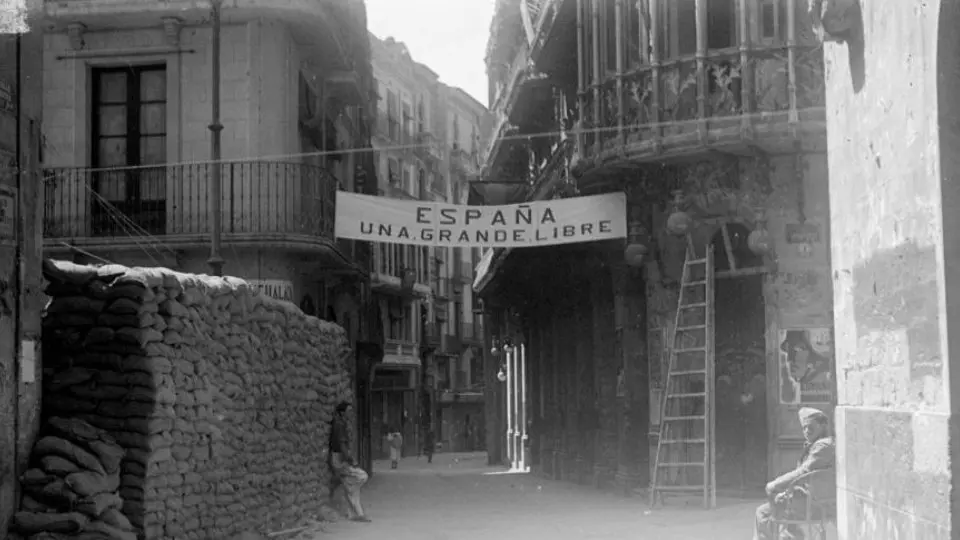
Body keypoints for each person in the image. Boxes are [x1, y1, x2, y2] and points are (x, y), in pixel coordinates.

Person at [754, 407, 835, 540]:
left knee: (763, 512)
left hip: (814, 506)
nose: (807, 431)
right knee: (781, 506)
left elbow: (804, 472)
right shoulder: (825, 443)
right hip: (818, 502)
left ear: (823, 426)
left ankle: (787, 535)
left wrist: (774, 484)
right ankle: (790, 534)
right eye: (804, 428)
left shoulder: (822, 447)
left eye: (811, 427)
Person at [329, 401, 371, 523]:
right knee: (362, 476)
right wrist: (351, 459)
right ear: (342, 413)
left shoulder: (341, 423)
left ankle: (357, 514)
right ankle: (356, 512)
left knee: (351, 488)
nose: (351, 414)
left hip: (340, 459)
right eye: (349, 411)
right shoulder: (339, 425)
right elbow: (342, 445)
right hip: (340, 460)